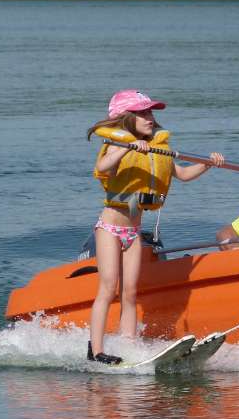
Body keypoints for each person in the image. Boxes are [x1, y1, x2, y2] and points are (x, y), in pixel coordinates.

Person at [87, 90, 225, 364]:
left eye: (151, 113)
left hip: (132, 233)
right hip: (109, 229)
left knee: (130, 292)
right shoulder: (118, 144)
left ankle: (129, 347)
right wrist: (128, 148)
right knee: (108, 287)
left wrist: (208, 164)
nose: (151, 118)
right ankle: (96, 350)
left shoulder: (158, 148)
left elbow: (183, 174)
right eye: (144, 113)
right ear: (127, 119)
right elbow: (102, 166)